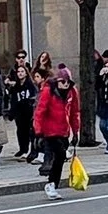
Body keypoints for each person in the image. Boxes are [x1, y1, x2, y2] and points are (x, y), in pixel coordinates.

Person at [33, 59, 81, 196]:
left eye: (67, 82)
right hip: (50, 131)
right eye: (62, 82)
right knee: (60, 154)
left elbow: (74, 113)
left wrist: (75, 131)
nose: (65, 85)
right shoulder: (49, 91)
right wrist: (38, 131)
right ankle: (51, 183)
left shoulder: (72, 93)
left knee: (59, 159)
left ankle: (52, 183)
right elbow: (40, 111)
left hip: (63, 131)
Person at [8, 54, 38, 159]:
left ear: (26, 73)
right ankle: (22, 149)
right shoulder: (16, 86)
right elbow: (13, 100)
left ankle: (32, 150)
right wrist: (12, 112)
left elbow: (33, 97)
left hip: (28, 111)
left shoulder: (30, 85)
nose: (20, 73)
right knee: (21, 131)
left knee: (30, 131)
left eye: (22, 72)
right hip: (19, 113)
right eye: (19, 72)